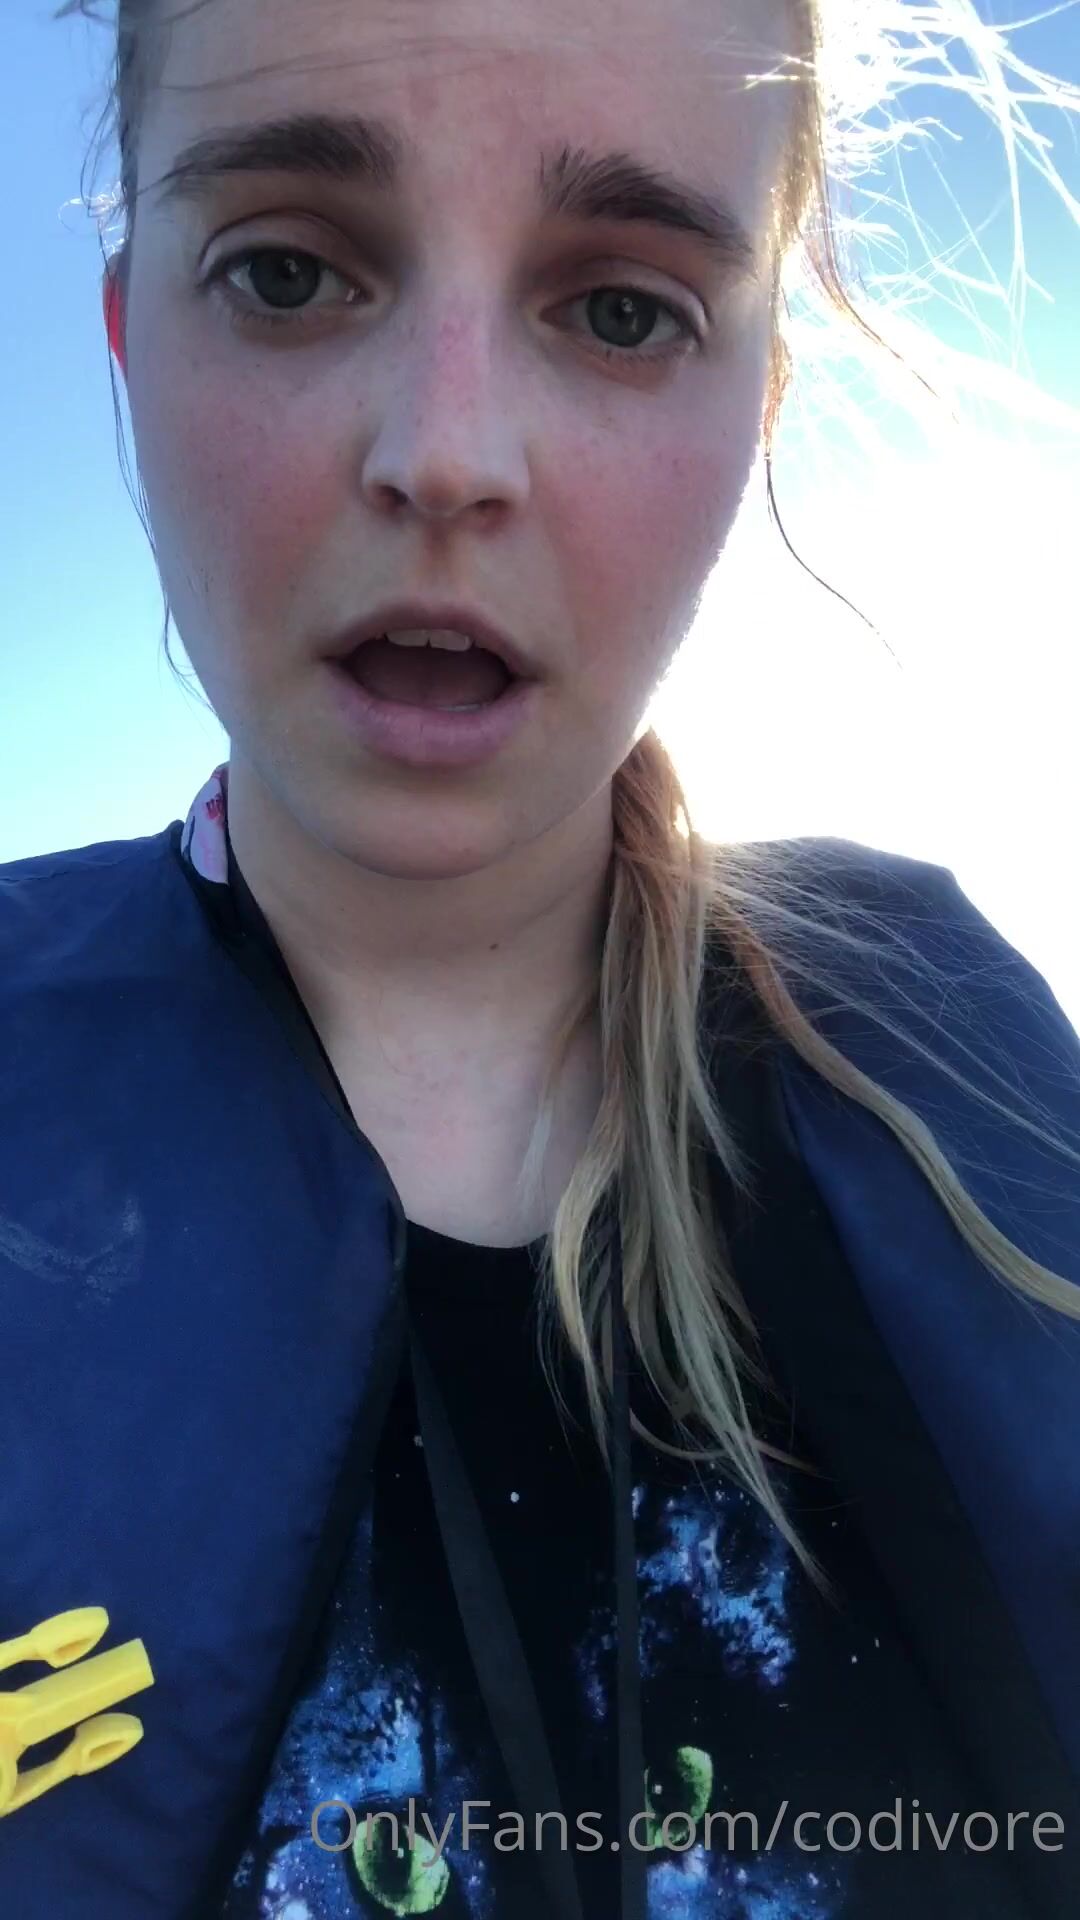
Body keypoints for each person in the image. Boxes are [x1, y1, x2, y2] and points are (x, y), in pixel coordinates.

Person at [5, 0, 1079, 1914]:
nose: (447, 456)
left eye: (622, 308)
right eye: (286, 272)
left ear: (756, 405)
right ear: (128, 338)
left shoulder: (949, 1037)